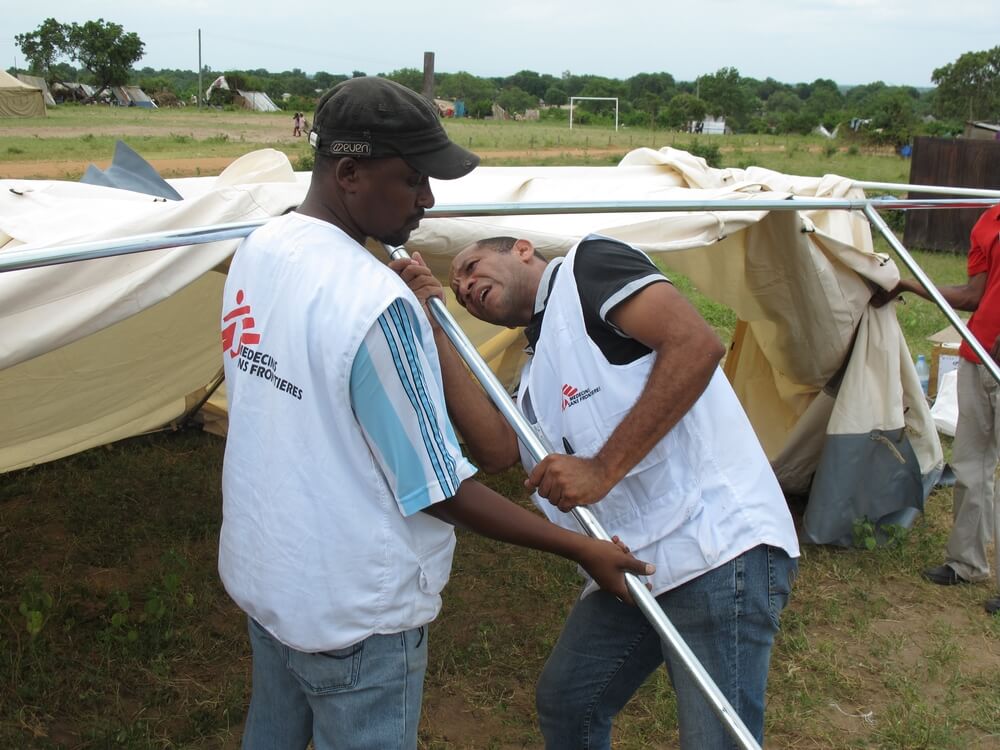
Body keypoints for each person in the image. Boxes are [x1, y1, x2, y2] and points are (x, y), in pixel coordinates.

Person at [218, 77, 653, 750]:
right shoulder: (374, 302)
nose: (427, 200)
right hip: (352, 614)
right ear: (349, 172)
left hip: (270, 579)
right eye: (413, 179)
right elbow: (439, 488)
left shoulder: (260, 248)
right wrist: (580, 546)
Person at [392, 234, 801, 749]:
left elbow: (696, 344)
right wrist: (435, 327)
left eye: (472, 267)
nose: (466, 286)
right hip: (629, 570)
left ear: (521, 249)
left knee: (717, 740)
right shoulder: (536, 368)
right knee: (569, 703)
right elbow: (497, 449)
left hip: (714, 545)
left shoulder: (589, 267)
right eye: (458, 288)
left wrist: (601, 469)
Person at [874, 203, 1000, 615]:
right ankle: (967, 563)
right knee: (970, 466)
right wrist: (908, 285)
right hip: (978, 358)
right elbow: (973, 295)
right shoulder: (989, 221)